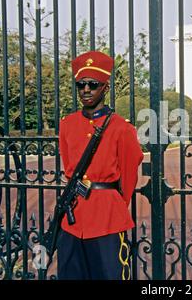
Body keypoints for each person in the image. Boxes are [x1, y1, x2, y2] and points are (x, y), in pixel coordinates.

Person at [57, 50, 144, 280]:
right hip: (73, 217)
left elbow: (128, 174)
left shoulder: (121, 128)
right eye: (81, 84)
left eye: (93, 84)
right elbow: (69, 167)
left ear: (105, 88)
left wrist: (113, 202)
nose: (86, 90)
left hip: (107, 218)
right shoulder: (67, 125)